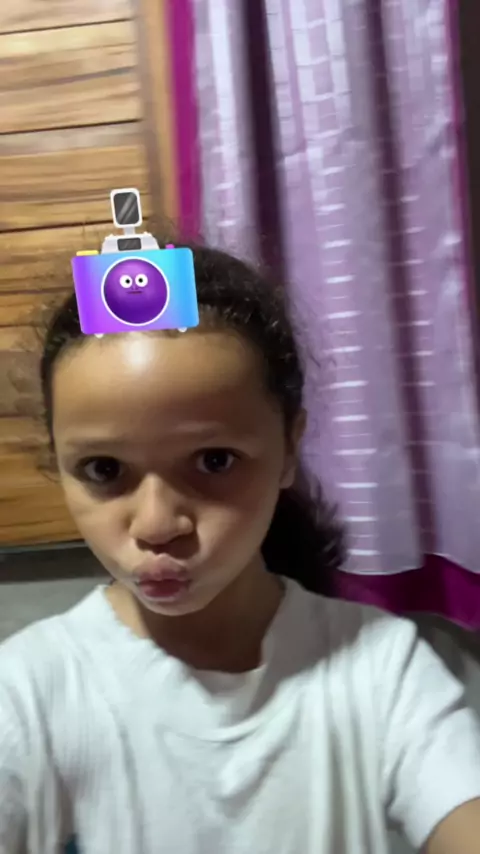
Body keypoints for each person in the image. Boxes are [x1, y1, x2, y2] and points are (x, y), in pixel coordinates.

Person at [1, 241, 480, 854]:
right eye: (103, 469)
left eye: (214, 461)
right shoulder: (26, 693)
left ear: (289, 447)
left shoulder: (382, 667)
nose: (157, 525)